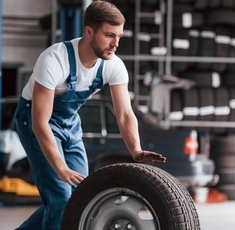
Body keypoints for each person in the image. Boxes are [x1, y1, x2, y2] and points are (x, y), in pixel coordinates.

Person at [14, 1, 166, 229]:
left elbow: (124, 114)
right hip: (35, 121)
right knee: (61, 198)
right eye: (109, 35)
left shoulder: (113, 66)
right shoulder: (55, 59)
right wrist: (60, 167)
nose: (115, 44)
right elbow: (40, 121)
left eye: (119, 36)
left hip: (69, 122)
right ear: (89, 32)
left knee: (81, 195)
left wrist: (135, 150)